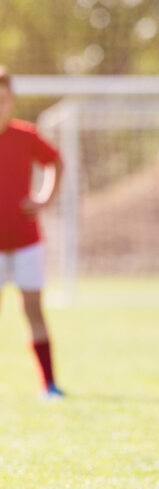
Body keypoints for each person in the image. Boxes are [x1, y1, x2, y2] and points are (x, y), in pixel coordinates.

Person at [0, 67, 65, 399]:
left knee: (33, 311)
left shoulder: (25, 135)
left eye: (2, 99)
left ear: (10, 101)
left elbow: (56, 161)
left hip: (26, 242)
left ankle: (49, 385)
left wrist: (44, 199)